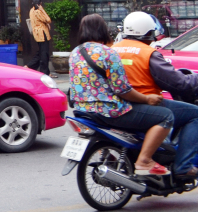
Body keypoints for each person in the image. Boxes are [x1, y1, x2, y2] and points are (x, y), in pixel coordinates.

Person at [70, 14, 174, 175]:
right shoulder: (108, 52)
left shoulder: (75, 53)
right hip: (110, 110)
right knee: (166, 116)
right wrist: (147, 98)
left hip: (83, 110)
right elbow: (122, 90)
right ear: (103, 30)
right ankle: (144, 160)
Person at [112, 12, 198, 176]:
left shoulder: (113, 49)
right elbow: (177, 82)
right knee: (195, 114)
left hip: (119, 104)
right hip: (146, 104)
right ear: (147, 32)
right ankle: (183, 167)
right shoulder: (148, 53)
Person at [27, 0, 53, 75]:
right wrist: (43, 10)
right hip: (42, 33)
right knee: (44, 53)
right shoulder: (38, 11)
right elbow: (48, 20)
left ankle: (30, 66)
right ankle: (44, 71)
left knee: (41, 52)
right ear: (40, 4)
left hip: (38, 34)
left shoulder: (31, 10)